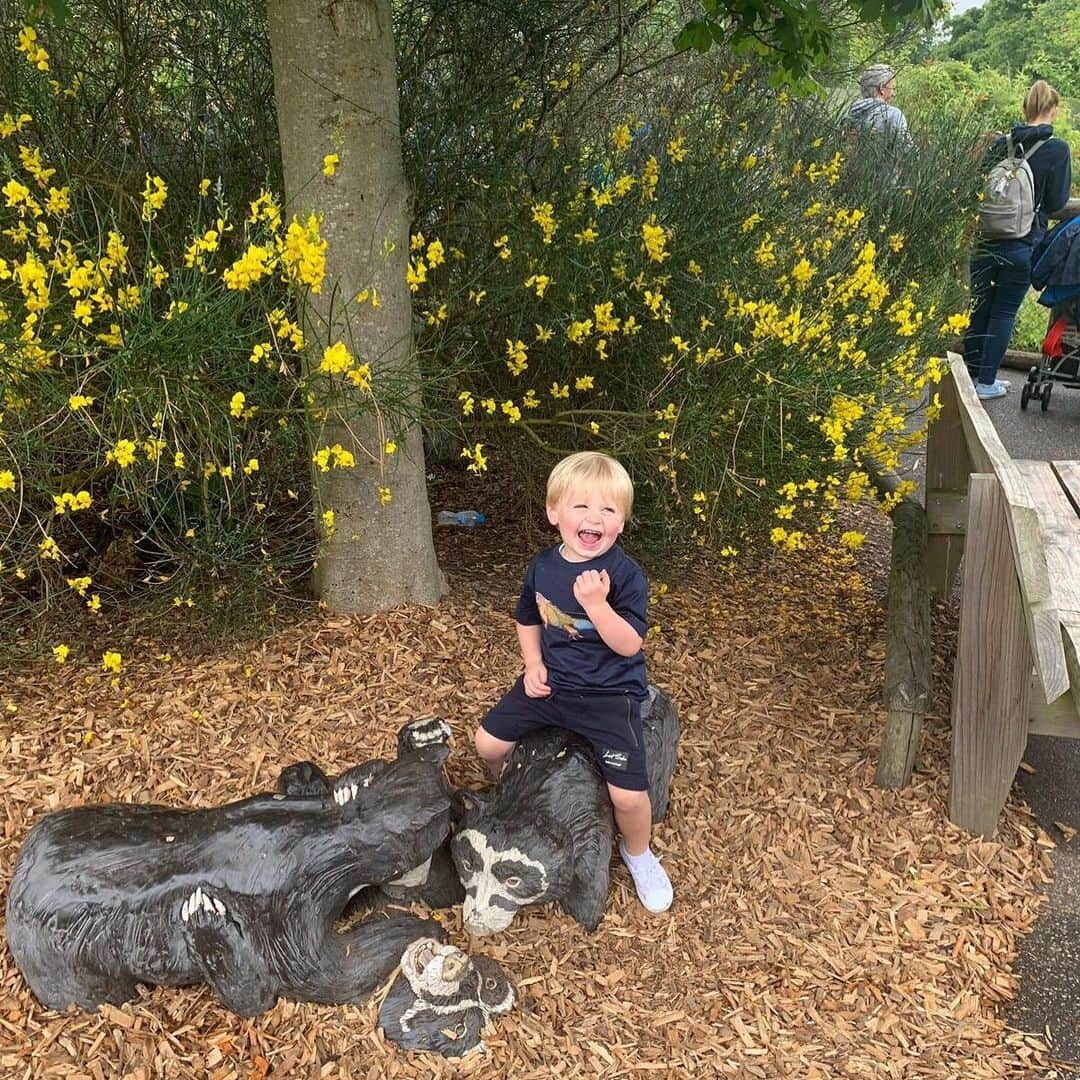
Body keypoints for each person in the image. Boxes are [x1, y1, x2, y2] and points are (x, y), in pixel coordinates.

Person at [473, 451, 673, 915]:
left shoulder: (625, 576)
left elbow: (629, 643)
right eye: (581, 506)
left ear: (621, 523)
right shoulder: (544, 567)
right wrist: (532, 663)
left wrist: (598, 606)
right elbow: (527, 617)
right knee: (487, 744)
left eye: (608, 509)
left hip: (608, 696)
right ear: (554, 513)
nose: (594, 518)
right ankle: (516, 792)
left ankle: (639, 854)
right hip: (553, 687)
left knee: (628, 795)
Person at [963, 79, 1072, 400]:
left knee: (980, 305)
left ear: (1026, 107)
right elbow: (1056, 203)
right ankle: (985, 383)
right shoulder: (1057, 149)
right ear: (1053, 109)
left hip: (986, 238)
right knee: (1004, 312)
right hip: (1023, 241)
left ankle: (969, 376)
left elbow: (978, 183)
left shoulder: (1002, 143)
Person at [845, 64, 912, 150]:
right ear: (881, 88)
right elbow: (907, 151)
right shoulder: (894, 115)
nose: (893, 94)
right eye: (893, 88)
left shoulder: (851, 113)